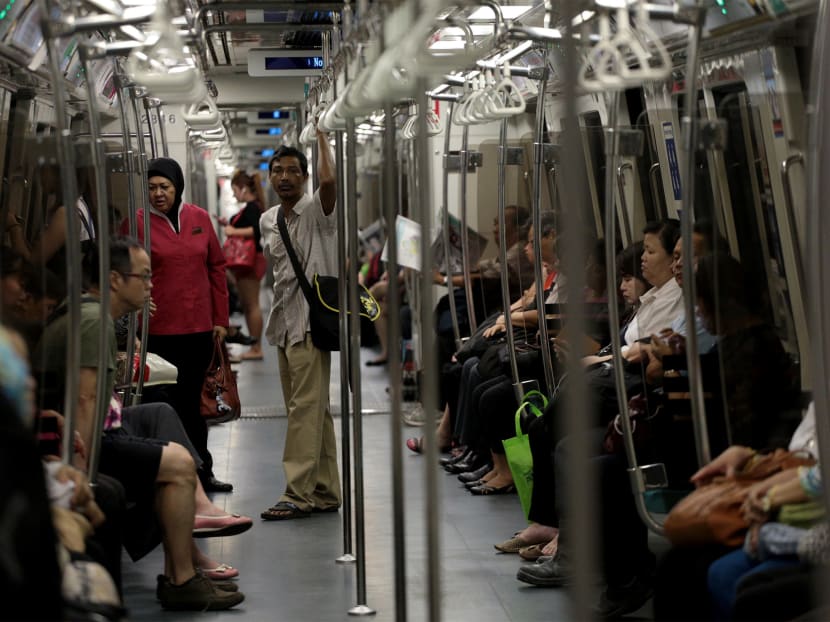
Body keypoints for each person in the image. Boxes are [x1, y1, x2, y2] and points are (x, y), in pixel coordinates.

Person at [32, 237, 246, 610]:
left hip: (93, 426)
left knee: (160, 415)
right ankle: (181, 579)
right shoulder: (93, 322)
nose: (150, 284)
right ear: (115, 279)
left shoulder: (92, 315)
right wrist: (82, 471)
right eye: (143, 277)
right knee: (178, 463)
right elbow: (85, 402)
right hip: (81, 438)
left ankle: (184, 564)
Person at [121, 157, 232, 493]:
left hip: (198, 328)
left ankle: (202, 472)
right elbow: (124, 273)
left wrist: (220, 319)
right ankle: (166, 473)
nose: (158, 193)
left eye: (165, 187)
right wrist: (137, 306)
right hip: (157, 331)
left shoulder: (199, 218)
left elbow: (216, 268)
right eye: (152, 188)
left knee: (195, 406)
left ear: (177, 187)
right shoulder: (136, 224)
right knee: (164, 406)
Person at [259, 129, 341, 520]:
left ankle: (297, 493)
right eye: (278, 171)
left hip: (310, 324)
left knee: (303, 410)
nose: (285, 177)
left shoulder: (318, 211)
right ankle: (325, 490)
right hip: (283, 323)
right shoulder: (268, 220)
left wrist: (321, 134)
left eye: (293, 170)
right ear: (270, 177)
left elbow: (330, 180)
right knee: (313, 409)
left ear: (305, 177)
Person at [224, 170, 267, 360]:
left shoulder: (252, 208)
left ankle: (256, 348)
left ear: (242, 188)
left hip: (250, 262)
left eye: (234, 190)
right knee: (249, 305)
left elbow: (256, 230)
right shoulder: (251, 207)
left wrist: (232, 231)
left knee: (252, 305)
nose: (234, 195)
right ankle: (254, 346)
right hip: (248, 262)